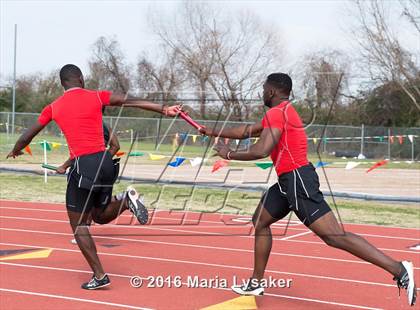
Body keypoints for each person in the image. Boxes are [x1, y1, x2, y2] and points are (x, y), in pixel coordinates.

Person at [204, 73, 416, 306]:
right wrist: (213, 131)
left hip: (298, 180)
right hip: (288, 181)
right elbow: (247, 131)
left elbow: (262, 150)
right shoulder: (282, 112)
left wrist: (229, 154)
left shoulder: (278, 113)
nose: (262, 93)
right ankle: (256, 282)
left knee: (334, 236)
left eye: (264, 89)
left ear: (272, 91)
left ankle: (399, 269)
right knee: (261, 220)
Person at [6, 64, 180, 290]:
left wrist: (18, 149)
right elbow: (128, 100)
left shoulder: (53, 107)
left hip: (85, 166)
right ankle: (126, 200)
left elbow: (27, 134)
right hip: (107, 162)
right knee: (98, 216)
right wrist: (164, 109)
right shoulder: (97, 96)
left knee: (79, 226)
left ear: (62, 83)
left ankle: (100, 275)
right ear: (80, 78)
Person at [57, 121, 121, 244]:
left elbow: (79, 154)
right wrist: (104, 160)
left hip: (86, 170)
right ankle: (123, 199)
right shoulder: (105, 125)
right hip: (107, 169)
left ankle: (82, 231)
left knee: (84, 202)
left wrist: (64, 166)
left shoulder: (83, 125)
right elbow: (116, 146)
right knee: (98, 207)